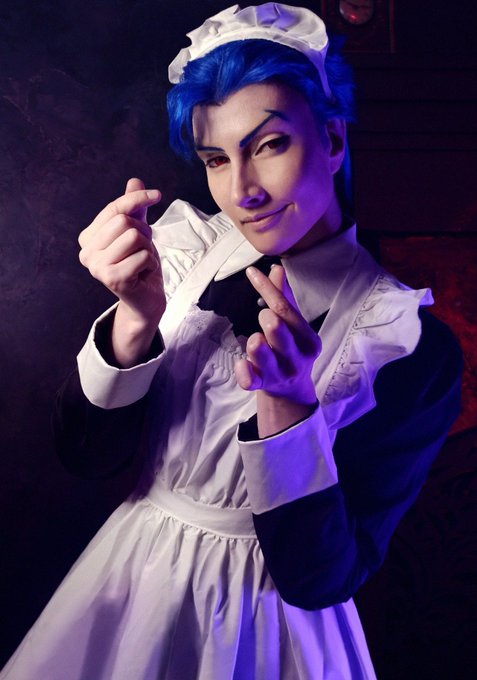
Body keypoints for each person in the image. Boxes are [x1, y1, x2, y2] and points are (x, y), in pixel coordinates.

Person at [1, 3, 462, 679]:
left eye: (269, 145)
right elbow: (87, 457)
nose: (242, 191)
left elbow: (319, 577)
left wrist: (288, 411)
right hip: (125, 588)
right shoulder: (183, 256)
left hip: (271, 633)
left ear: (333, 139)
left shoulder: (407, 346)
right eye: (217, 158)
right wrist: (134, 320)